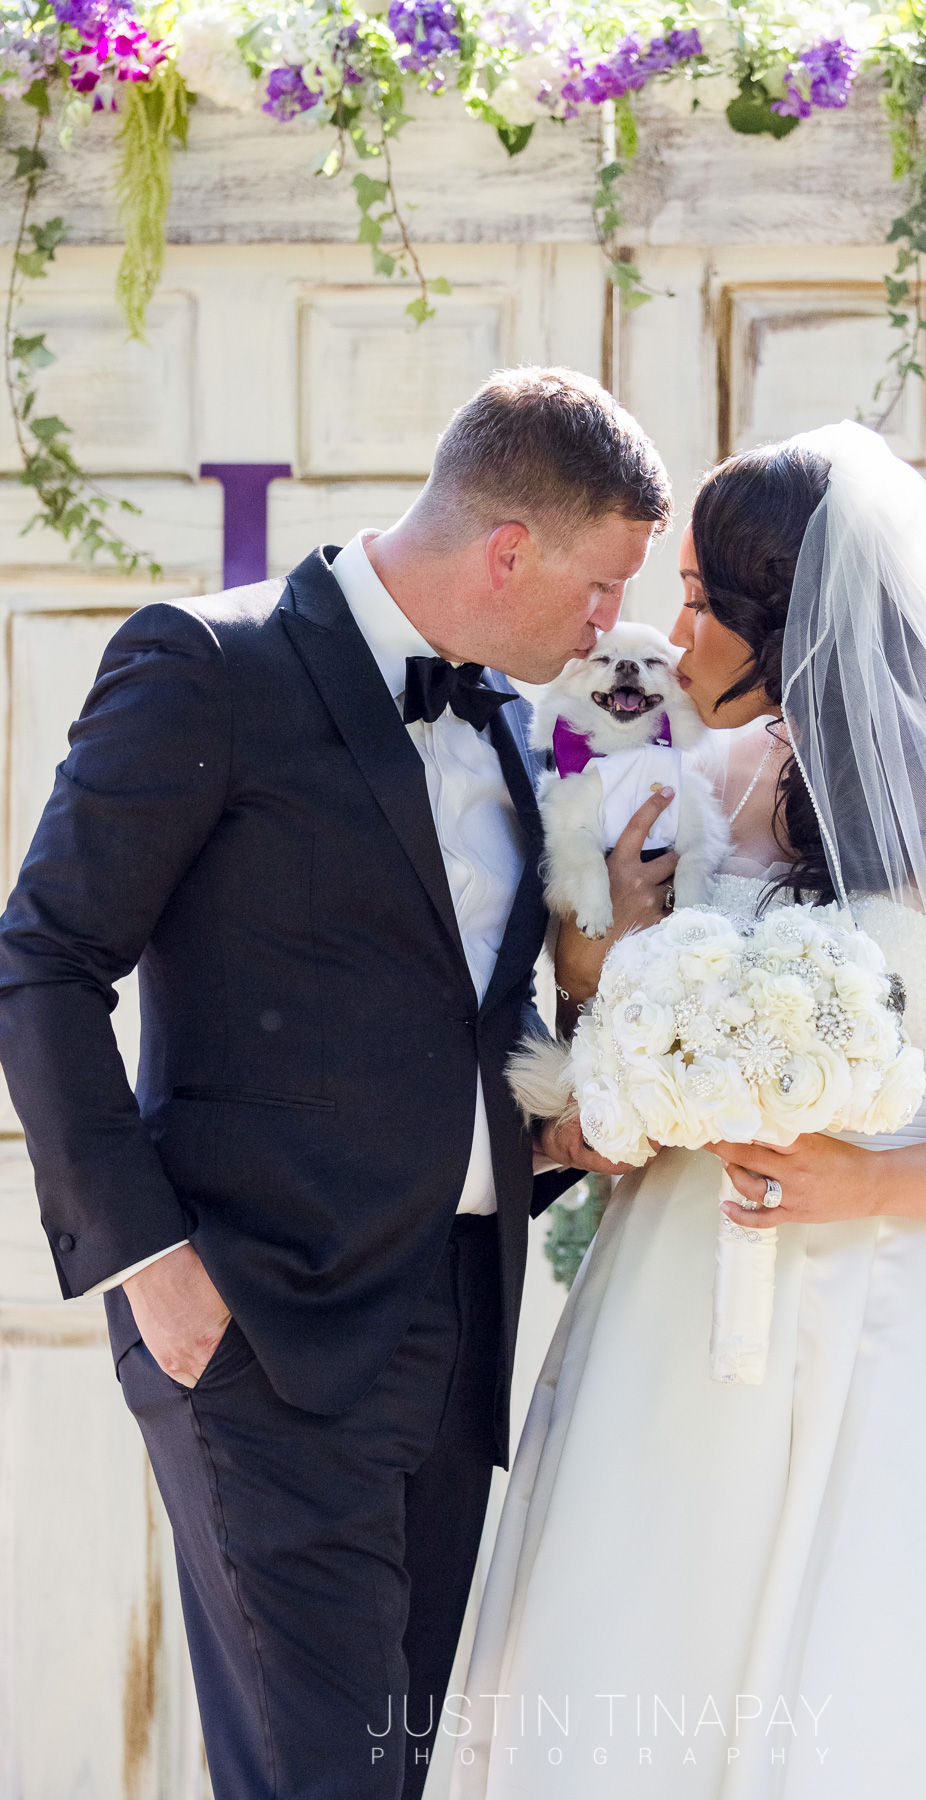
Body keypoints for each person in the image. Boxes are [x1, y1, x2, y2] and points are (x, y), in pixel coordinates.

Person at [451, 422, 926, 1798]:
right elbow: (619, 1066)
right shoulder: (707, 795)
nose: (669, 640)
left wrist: (866, 1188)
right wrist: (612, 957)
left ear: (781, 624)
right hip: (673, 1312)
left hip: (905, 1322)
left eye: (697, 602)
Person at [0, 368, 670, 1800]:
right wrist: (150, 1266)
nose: (614, 627)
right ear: (509, 551)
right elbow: (41, 963)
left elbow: (424, 1020)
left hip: (452, 1337)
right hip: (260, 1334)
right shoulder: (208, 661)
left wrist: (558, 1121)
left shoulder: (494, 716)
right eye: (603, 585)